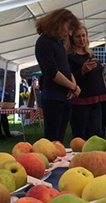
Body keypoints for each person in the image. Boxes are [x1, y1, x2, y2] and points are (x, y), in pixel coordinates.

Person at [34, 8, 81, 142]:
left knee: (59, 137)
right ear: (58, 23)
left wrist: (73, 86)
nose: (70, 33)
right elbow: (52, 72)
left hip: (64, 96)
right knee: (52, 137)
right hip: (53, 96)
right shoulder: (44, 42)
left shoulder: (58, 43)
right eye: (69, 28)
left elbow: (66, 68)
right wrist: (73, 86)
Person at [66, 26, 106, 140]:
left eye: (84, 35)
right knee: (81, 135)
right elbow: (69, 79)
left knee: (96, 135)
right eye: (78, 36)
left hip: (97, 101)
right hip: (80, 103)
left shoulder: (90, 54)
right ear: (72, 39)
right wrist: (82, 71)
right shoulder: (69, 57)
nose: (82, 39)